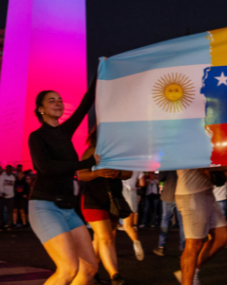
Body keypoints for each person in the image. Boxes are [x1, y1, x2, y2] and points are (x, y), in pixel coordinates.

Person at [28, 86, 98, 285]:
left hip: (68, 208)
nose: (58, 103)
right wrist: (85, 163)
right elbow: (46, 167)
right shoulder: (37, 136)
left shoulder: (64, 131)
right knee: (68, 268)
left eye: (59, 99)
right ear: (41, 109)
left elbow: (86, 103)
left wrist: (102, 70)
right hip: (45, 206)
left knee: (90, 267)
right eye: (51, 100)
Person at [78, 127, 132, 285]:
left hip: (113, 201)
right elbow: (81, 174)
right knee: (106, 238)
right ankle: (114, 275)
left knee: (101, 239)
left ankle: (91, 273)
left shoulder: (119, 152)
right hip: (93, 200)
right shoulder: (91, 151)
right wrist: (97, 173)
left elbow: (129, 173)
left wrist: (118, 173)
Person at [174, 166, 227, 285]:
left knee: (222, 237)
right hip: (191, 193)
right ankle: (187, 280)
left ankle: (191, 273)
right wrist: (223, 169)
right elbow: (206, 170)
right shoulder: (190, 146)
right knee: (193, 245)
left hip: (206, 192)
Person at [153, 170, 185, 256]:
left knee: (165, 221)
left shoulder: (167, 165)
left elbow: (160, 177)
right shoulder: (182, 163)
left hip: (168, 196)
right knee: (183, 223)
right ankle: (183, 248)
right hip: (181, 195)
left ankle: (161, 247)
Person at [120, 169, 143, 259]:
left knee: (112, 226)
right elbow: (142, 183)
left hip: (121, 192)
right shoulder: (137, 166)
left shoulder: (120, 163)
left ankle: (110, 249)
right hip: (132, 193)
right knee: (128, 226)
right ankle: (136, 242)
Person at [0, 164, 16, 229]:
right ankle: (0, 224)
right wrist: (2, 192)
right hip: (2, 196)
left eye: (11, 170)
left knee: (10, 211)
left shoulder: (13, 177)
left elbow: (13, 186)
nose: (10, 171)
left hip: (10, 196)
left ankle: (9, 224)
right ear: (6, 169)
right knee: (0, 211)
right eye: (9, 170)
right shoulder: (2, 177)